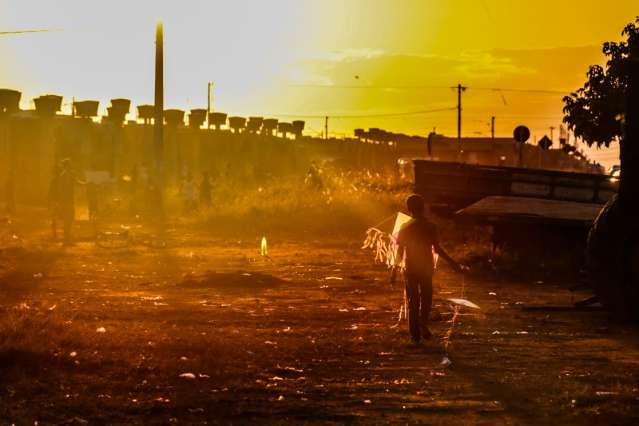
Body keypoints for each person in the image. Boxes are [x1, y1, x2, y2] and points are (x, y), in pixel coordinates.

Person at [391, 194, 466, 344]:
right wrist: (454, 263)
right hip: (426, 268)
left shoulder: (405, 227)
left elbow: (399, 251)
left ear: (409, 208)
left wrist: (393, 272)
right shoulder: (431, 227)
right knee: (426, 299)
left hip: (410, 268)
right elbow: (437, 249)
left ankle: (415, 337)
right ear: (423, 207)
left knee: (413, 302)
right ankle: (423, 324)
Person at [57, 159, 85, 245]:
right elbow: (77, 182)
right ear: (68, 165)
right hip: (68, 200)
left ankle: (66, 239)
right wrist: (87, 183)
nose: (72, 166)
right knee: (69, 219)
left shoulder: (62, 175)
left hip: (64, 200)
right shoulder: (70, 174)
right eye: (70, 164)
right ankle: (67, 240)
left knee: (67, 220)